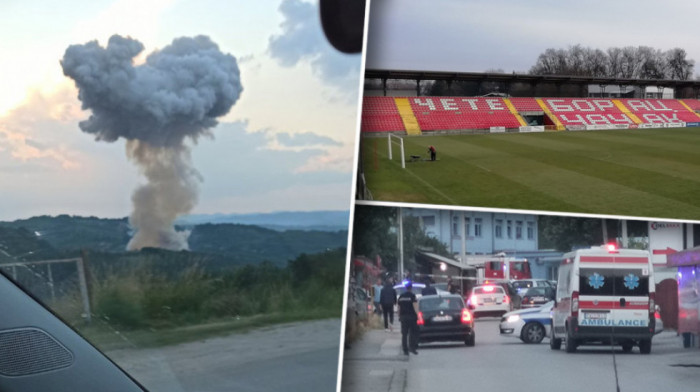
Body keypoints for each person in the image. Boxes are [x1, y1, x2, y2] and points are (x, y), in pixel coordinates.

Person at [398, 281, 419, 355]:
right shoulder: (412, 296)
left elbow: (399, 308)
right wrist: (418, 316)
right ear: (411, 288)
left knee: (404, 334)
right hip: (412, 317)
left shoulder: (401, 296)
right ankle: (412, 348)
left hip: (403, 317)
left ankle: (405, 350)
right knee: (412, 333)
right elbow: (415, 307)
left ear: (405, 288)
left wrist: (399, 316)